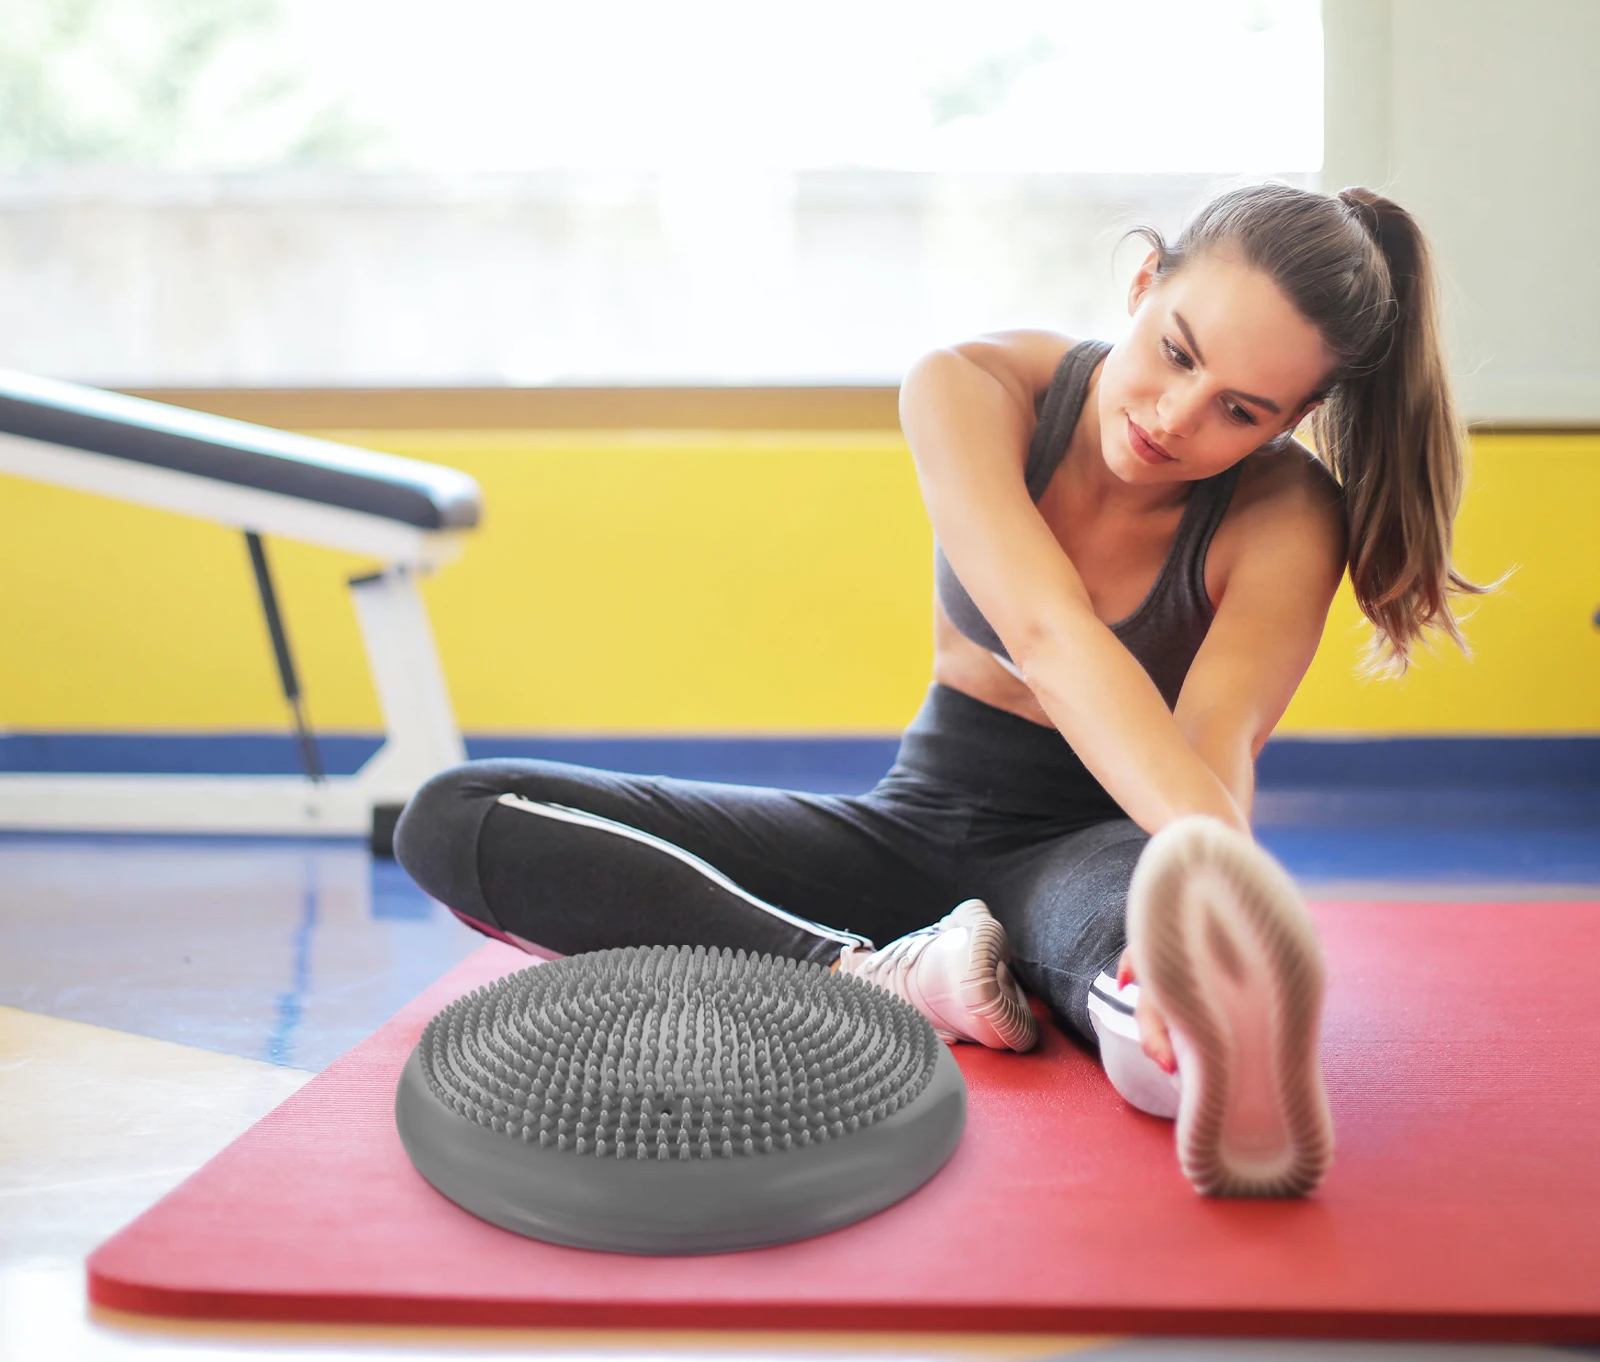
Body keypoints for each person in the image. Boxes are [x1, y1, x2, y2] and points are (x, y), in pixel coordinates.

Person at [394, 182, 1486, 1199]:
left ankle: (1210, 1048)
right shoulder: (970, 385)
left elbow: (1217, 739)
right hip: (908, 827)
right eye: (1175, 353)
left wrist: (1197, 902)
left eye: (1240, 410)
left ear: (1286, 424)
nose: (1176, 416)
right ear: (1143, 281)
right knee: (453, 817)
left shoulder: (1286, 513)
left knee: (1165, 979)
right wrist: (1215, 862)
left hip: (1101, 846)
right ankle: (873, 976)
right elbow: (1044, 630)